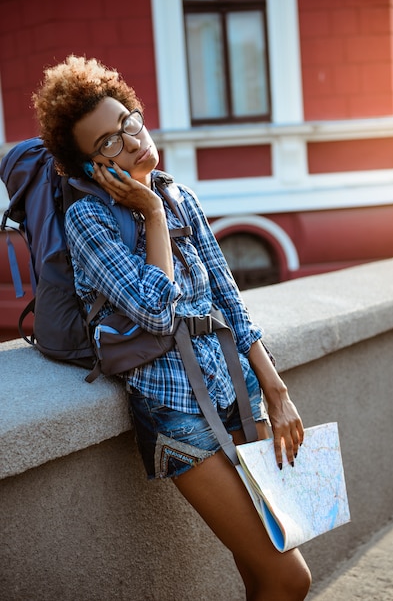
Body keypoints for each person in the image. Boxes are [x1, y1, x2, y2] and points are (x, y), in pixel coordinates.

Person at [32, 55, 311, 600]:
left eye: (128, 122)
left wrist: (276, 391)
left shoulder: (182, 195)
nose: (131, 140)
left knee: (258, 572)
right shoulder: (87, 220)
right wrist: (153, 215)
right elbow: (157, 313)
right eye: (107, 143)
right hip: (177, 414)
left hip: (238, 391)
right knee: (288, 576)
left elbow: (230, 300)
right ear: (91, 168)